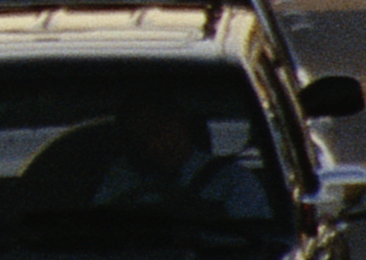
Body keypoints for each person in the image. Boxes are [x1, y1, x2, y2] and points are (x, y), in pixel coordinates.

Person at [91, 91, 273, 225]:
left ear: (180, 123)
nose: (153, 145)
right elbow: (98, 229)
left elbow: (256, 240)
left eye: (159, 132)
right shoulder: (121, 179)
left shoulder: (232, 180)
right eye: (140, 139)